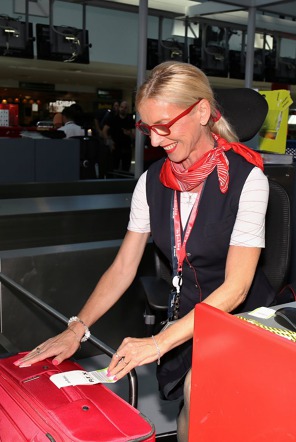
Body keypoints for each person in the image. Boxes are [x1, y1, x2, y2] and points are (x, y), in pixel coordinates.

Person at [14, 61, 275, 441]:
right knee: (192, 401)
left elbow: (236, 288)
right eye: (147, 128)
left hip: (241, 316)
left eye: (165, 127)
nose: (154, 141)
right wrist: (77, 328)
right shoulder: (152, 181)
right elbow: (124, 266)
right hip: (189, 312)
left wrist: (158, 342)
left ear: (202, 111)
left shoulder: (248, 179)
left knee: (197, 392)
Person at [102, 100, 135, 172]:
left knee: (126, 169)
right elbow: (104, 130)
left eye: (125, 108)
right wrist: (109, 142)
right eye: (122, 107)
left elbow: (134, 135)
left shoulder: (130, 120)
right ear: (119, 107)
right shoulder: (112, 118)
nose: (123, 109)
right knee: (114, 168)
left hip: (126, 148)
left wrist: (129, 133)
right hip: (115, 147)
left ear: (127, 109)